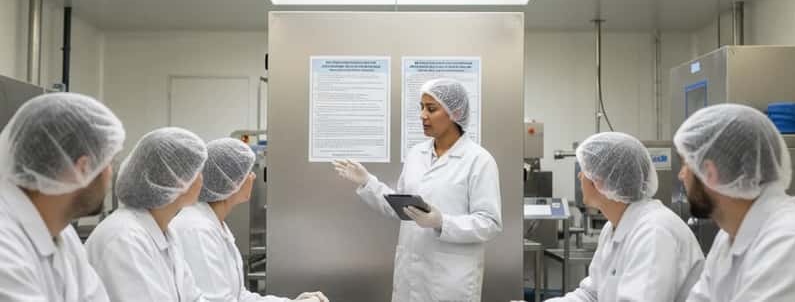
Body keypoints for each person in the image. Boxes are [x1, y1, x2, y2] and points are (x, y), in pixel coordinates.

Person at [333, 78, 502, 302]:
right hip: (411, 278)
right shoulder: (416, 154)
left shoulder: (479, 160)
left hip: (451, 281)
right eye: (421, 107)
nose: (422, 115)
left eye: (431, 109)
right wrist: (367, 182)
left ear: (455, 113)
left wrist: (442, 222)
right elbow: (400, 207)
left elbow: (490, 223)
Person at [0, 93, 125, 301]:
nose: (111, 174)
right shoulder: (5, 246)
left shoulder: (62, 233)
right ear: (84, 167)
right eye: (108, 162)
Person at [550, 132, 704, 302]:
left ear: (599, 180)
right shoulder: (613, 227)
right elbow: (591, 295)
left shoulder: (654, 232)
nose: (579, 176)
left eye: (584, 170)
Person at [172, 138, 329, 302]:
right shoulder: (196, 229)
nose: (253, 176)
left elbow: (240, 297)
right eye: (247, 172)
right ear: (230, 181)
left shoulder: (213, 224)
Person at [674, 104, 795, 302]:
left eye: (686, 165)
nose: (681, 176)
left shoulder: (788, 240)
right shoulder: (729, 235)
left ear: (709, 172)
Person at [86, 127, 209, 301]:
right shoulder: (124, 238)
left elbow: (193, 298)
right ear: (175, 180)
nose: (201, 178)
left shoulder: (166, 234)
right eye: (195, 170)